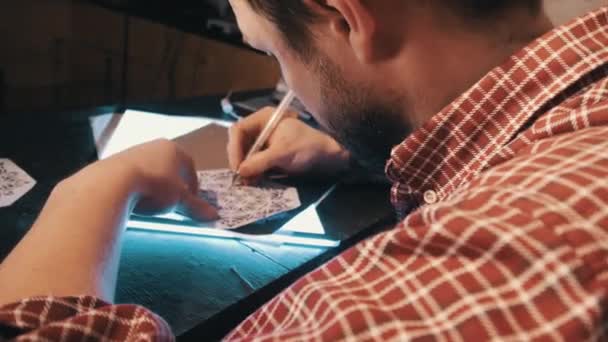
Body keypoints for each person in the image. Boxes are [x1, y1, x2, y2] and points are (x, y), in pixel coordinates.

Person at [1, 0, 607, 340]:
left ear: (347, 17)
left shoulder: (377, 315)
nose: (284, 85)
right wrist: (356, 149)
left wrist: (92, 190)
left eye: (273, 53)